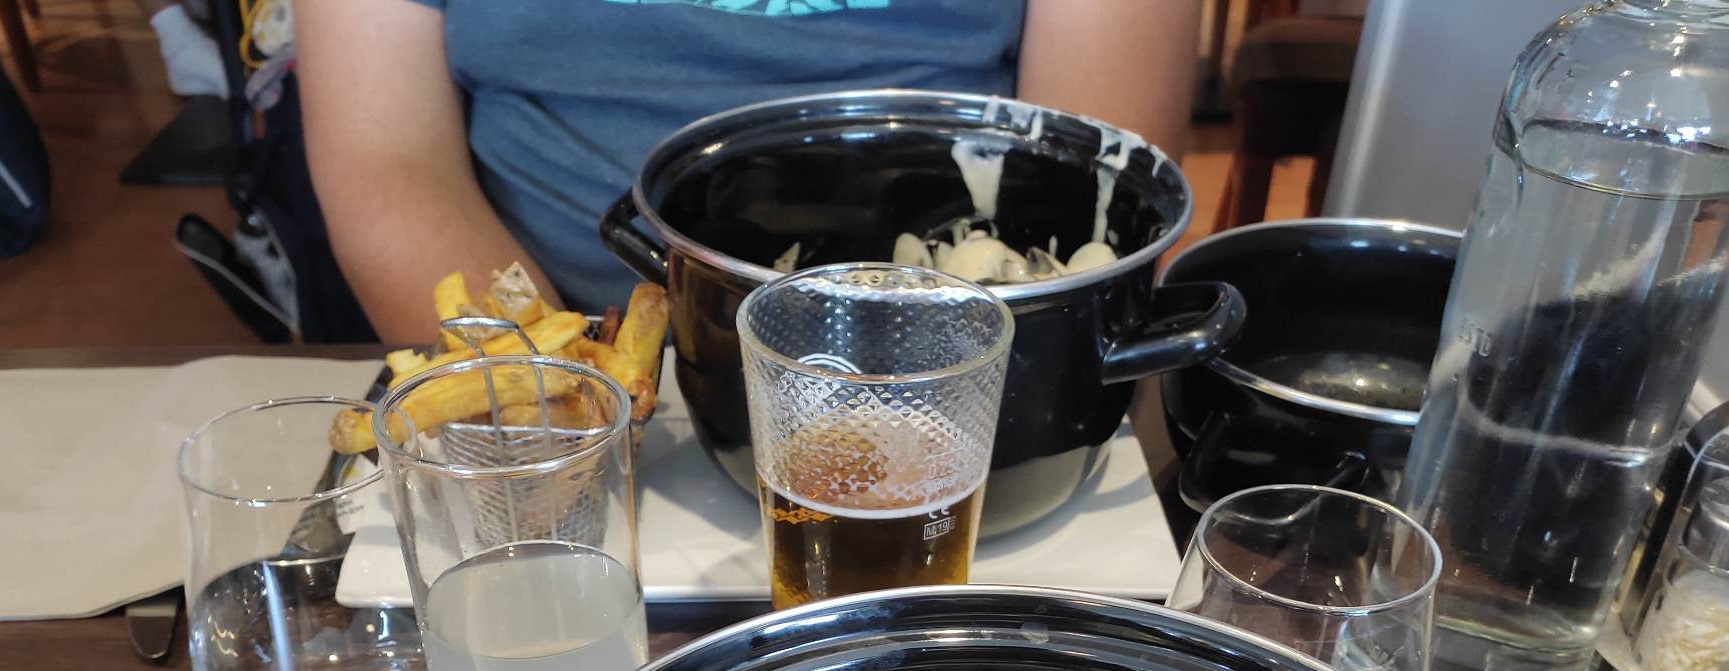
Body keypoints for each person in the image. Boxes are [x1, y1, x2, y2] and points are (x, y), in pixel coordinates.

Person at [297, 0, 1201, 341]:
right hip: (569, 358)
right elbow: (389, 166)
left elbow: (1093, 189)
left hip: (968, 363)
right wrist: (554, 394)